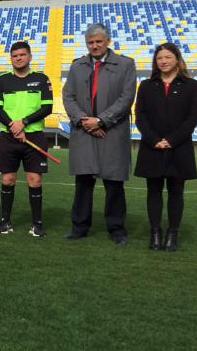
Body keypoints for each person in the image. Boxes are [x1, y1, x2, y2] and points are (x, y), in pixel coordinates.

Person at [63, 23, 136, 245]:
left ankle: (116, 228)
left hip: (111, 132)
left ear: (108, 41)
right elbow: (68, 97)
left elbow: (126, 98)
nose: (94, 46)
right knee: (83, 182)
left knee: (114, 184)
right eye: (91, 42)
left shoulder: (125, 64)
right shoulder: (77, 66)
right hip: (84, 132)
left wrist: (102, 120)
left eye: (98, 42)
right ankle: (80, 226)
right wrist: (85, 121)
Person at [134, 43, 197, 251]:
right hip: (152, 146)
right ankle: (155, 233)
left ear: (177, 59)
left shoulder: (191, 85)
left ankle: (172, 234)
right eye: (160, 58)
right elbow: (140, 116)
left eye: (168, 57)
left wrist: (172, 140)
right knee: (153, 190)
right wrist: (154, 139)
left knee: (176, 191)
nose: (163, 61)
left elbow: (192, 118)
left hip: (179, 148)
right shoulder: (146, 85)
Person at [0, 42, 53, 237]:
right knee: (8, 180)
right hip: (8, 137)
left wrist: (23, 123)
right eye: (15, 55)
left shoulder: (42, 79)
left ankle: (37, 223)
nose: (18, 58)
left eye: (22, 54)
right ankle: (5, 221)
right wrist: (14, 127)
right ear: (11, 58)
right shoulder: (1, 81)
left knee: (34, 180)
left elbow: (47, 108)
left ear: (30, 57)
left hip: (34, 137)